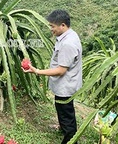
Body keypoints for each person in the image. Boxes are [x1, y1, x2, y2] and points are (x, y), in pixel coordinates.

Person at [23, 10, 82, 144]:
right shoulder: (70, 35)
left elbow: (61, 70)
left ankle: (71, 140)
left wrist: (37, 71)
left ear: (62, 25)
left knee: (67, 115)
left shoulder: (68, 43)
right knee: (62, 109)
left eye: (52, 26)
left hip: (65, 85)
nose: (51, 29)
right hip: (65, 84)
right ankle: (62, 128)